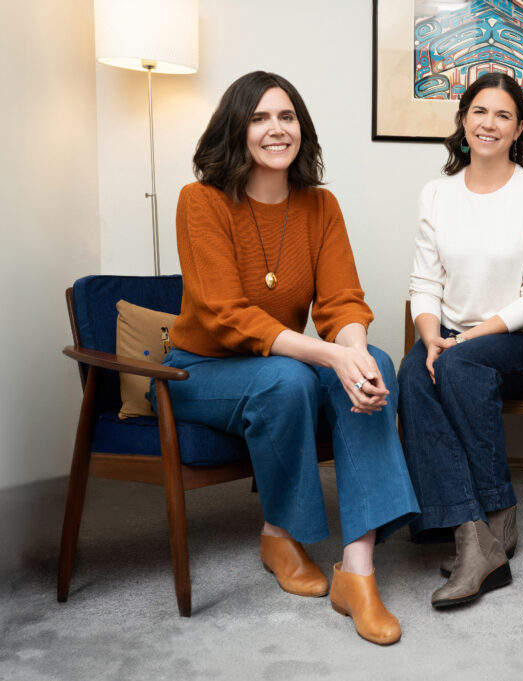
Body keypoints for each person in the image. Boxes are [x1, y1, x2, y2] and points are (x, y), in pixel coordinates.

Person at [161, 71, 419, 645]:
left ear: (301, 128)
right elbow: (228, 314)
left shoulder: (319, 206)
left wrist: (352, 356)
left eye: (286, 117)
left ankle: (358, 570)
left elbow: (342, 300)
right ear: (236, 128)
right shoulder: (199, 200)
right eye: (259, 118)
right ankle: (280, 534)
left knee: (373, 358)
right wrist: (329, 356)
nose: (275, 129)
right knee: (288, 381)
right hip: (198, 369)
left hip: (281, 359)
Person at [398, 72, 523, 609]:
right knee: (411, 374)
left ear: (519, 129)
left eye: (503, 115)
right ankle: (474, 535)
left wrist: (463, 341)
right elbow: (424, 284)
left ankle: (498, 515)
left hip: (520, 338)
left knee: (458, 366)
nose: (489, 123)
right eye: (480, 112)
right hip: (447, 337)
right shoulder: (436, 193)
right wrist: (430, 339)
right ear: (463, 121)